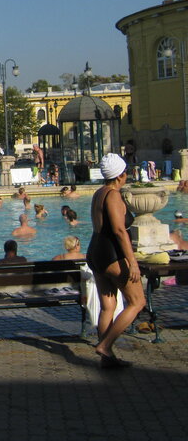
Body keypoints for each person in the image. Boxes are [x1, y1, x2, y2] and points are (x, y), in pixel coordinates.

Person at [86, 153, 145, 368]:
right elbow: (119, 231)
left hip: (95, 250)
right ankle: (105, 346)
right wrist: (133, 262)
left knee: (108, 307)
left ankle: (107, 360)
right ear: (120, 175)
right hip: (111, 253)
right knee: (137, 302)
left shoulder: (99, 193)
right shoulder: (113, 195)